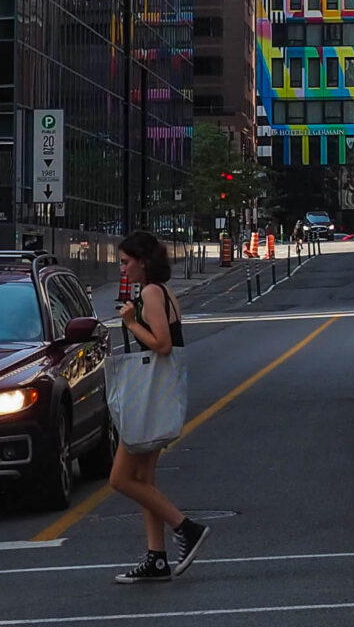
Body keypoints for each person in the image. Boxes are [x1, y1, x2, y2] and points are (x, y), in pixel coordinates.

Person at [109, 230, 208, 583]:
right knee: (143, 480)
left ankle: (185, 527)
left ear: (143, 261)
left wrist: (132, 323)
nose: (123, 270)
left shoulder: (151, 293)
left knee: (120, 478)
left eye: (126, 262)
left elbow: (162, 345)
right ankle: (157, 557)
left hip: (147, 399)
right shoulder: (163, 292)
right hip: (160, 393)